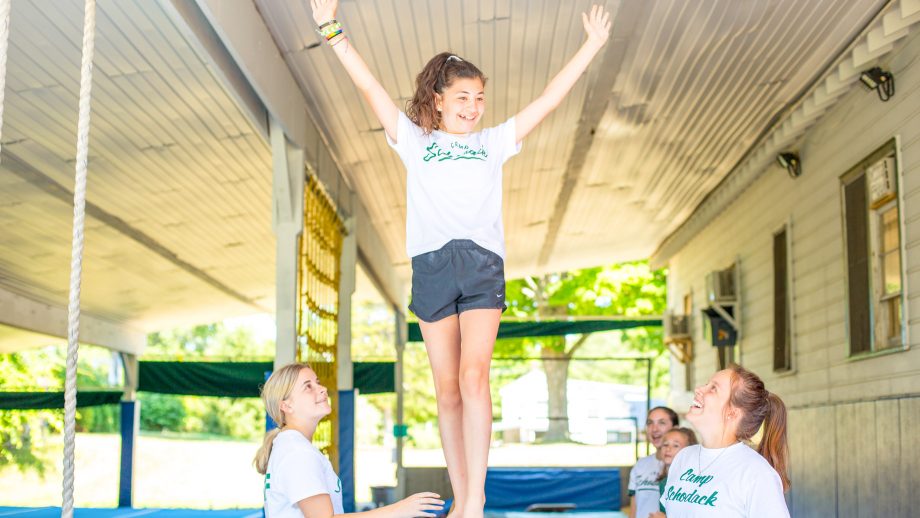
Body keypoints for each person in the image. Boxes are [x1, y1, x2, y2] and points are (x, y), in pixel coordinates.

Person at [307, 2, 612, 516]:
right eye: (463, 97)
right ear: (439, 100)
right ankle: (460, 487)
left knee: (474, 378)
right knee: (446, 391)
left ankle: (474, 498)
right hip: (429, 267)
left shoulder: (494, 142)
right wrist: (330, 29)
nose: (473, 107)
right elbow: (369, 89)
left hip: (480, 265)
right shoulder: (415, 140)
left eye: (480, 98)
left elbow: (549, 99)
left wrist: (592, 45)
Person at [254, 363, 444, 518]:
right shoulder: (298, 452)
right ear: (286, 405)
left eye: (317, 382)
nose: (321, 389)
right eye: (308, 387)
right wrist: (398, 510)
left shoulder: (290, 446)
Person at [660, 365, 790, 517]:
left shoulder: (756, 473)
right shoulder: (683, 457)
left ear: (732, 412)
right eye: (707, 384)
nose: (698, 389)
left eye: (713, 388)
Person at [628, 407, 679, 518]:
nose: (654, 429)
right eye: (650, 423)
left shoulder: (687, 468)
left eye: (662, 423)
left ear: (675, 428)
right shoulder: (640, 465)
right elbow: (633, 511)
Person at [648, 427, 698, 518]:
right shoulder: (664, 482)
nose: (668, 449)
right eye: (665, 444)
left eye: (676, 445)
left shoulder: (694, 483)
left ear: (690, 450)